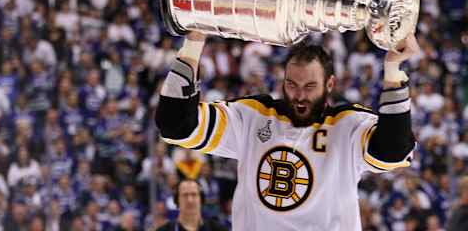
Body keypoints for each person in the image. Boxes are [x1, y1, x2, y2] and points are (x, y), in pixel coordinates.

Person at [155, 31, 419, 230]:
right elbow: (176, 126)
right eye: (291, 84)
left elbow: (393, 151)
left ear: (330, 84)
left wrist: (393, 71)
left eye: (309, 87)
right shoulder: (253, 115)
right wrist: (194, 41)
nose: (299, 96)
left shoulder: (347, 125)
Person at [156, 179, 227, 231]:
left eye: (194, 194)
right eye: (185, 195)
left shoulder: (217, 229)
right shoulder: (164, 230)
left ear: (201, 199)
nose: (190, 200)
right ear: (177, 200)